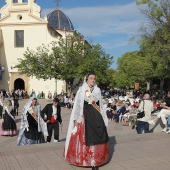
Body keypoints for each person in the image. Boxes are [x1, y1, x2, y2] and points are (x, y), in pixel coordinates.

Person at [64, 73, 109, 170]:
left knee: (97, 136)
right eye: (91, 78)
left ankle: (95, 161)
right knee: (85, 138)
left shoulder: (97, 90)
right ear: (87, 79)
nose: (93, 80)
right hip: (85, 116)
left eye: (94, 79)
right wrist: (78, 119)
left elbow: (100, 104)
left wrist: (103, 117)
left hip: (96, 116)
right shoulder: (82, 90)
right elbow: (78, 105)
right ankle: (85, 159)